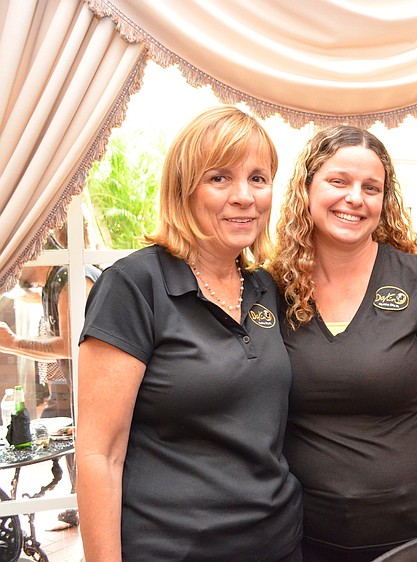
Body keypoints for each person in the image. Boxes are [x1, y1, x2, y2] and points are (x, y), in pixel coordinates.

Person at [75, 106, 303, 561]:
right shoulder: (133, 286)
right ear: (183, 191)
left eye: (258, 178)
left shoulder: (267, 288)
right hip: (171, 548)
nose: (244, 196)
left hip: (276, 543)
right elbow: (100, 454)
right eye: (219, 178)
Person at [267, 124, 417, 561]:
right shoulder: (272, 288)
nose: (355, 199)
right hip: (298, 539)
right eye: (338, 182)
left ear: (385, 200)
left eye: (371, 187)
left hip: (411, 540)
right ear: (306, 188)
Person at [0, 229, 100, 528]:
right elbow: (28, 295)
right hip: (82, 386)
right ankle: (81, 508)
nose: (14, 268)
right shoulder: (54, 281)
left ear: (33, 252)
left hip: (99, 388)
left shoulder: (71, 279)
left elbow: (72, 345)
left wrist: (13, 343)